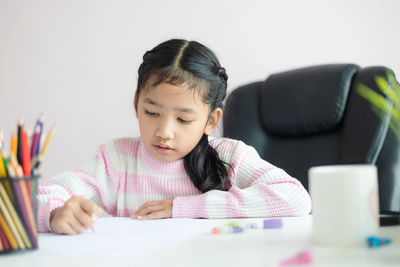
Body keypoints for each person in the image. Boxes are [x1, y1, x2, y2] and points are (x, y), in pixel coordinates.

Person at [37, 39, 311, 235]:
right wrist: (54, 214)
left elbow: (295, 198)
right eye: (152, 112)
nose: (164, 132)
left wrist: (182, 207)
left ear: (211, 121)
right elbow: (40, 196)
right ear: (136, 104)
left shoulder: (229, 156)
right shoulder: (117, 159)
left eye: (183, 119)